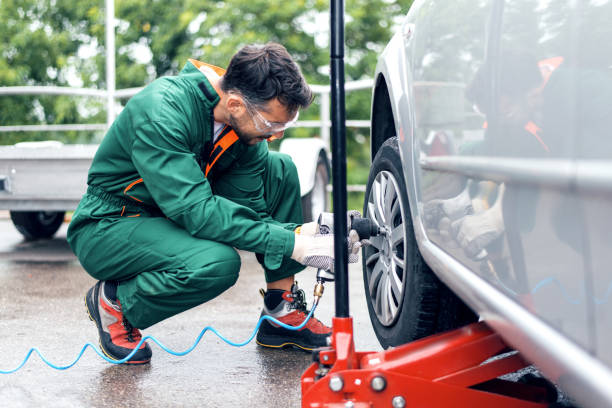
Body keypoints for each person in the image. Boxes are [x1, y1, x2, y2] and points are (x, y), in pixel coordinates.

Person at [67, 43, 344, 364]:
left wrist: (314, 235)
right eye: (272, 125)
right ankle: (116, 303)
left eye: (284, 126)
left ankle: (280, 310)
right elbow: (195, 211)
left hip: (170, 216)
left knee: (279, 170)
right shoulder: (161, 111)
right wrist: (294, 243)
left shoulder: (244, 129)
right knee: (216, 264)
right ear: (236, 104)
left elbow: (252, 215)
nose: (276, 135)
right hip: (111, 224)